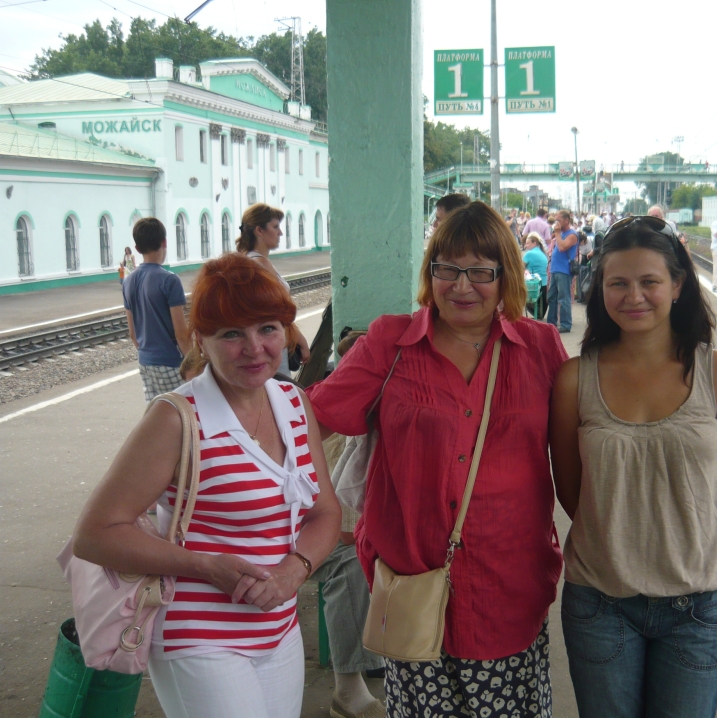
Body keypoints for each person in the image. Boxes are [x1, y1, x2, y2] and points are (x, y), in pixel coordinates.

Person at [307, 201, 566, 718]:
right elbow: (312, 421)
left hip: (507, 586)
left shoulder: (539, 347)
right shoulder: (391, 343)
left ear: (506, 276)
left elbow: (588, 440)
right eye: (447, 269)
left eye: (480, 272)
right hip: (409, 583)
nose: (462, 286)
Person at [72, 252, 340, 718]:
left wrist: (295, 569)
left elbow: (324, 512)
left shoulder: (294, 402)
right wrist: (205, 565)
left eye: (268, 328)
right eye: (231, 334)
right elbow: (95, 534)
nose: (254, 348)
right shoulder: (176, 419)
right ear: (201, 339)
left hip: (279, 629)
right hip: (197, 636)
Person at [549, 214, 717, 718]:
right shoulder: (574, 379)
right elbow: (572, 492)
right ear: (599, 288)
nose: (633, 296)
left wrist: (684, 528)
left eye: (649, 282)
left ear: (677, 285)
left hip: (697, 603)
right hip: (600, 600)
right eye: (617, 283)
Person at [317, 329, 387, 718]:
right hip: (298, 533)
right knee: (351, 560)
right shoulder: (343, 428)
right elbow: (345, 531)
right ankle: (348, 687)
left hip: (315, 524)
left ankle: (380, 653)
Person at [236, 204, 311, 378]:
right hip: (272, 342)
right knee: (279, 388)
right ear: (259, 231)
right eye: (275, 227)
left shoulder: (246, 260)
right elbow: (280, 312)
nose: (280, 233)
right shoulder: (260, 265)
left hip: (261, 340)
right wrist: (300, 340)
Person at [123, 218, 191, 402]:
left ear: (137, 248)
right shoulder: (169, 280)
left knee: (158, 413)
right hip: (171, 363)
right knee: (185, 413)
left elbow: (133, 334)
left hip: (145, 363)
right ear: (164, 242)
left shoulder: (128, 281)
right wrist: (195, 365)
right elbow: (181, 334)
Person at [547, 209, 579, 333]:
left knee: (563, 297)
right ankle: (551, 322)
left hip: (564, 270)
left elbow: (562, 247)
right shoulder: (560, 233)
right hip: (555, 269)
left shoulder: (572, 234)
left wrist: (557, 233)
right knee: (552, 296)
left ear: (566, 220)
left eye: (559, 220)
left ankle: (565, 324)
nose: (557, 223)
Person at [523, 231, 550, 320]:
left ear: (534, 243)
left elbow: (519, 268)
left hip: (533, 287)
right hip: (543, 285)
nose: (526, 246)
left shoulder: (529, 254)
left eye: (528, 243)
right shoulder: (543, 253)